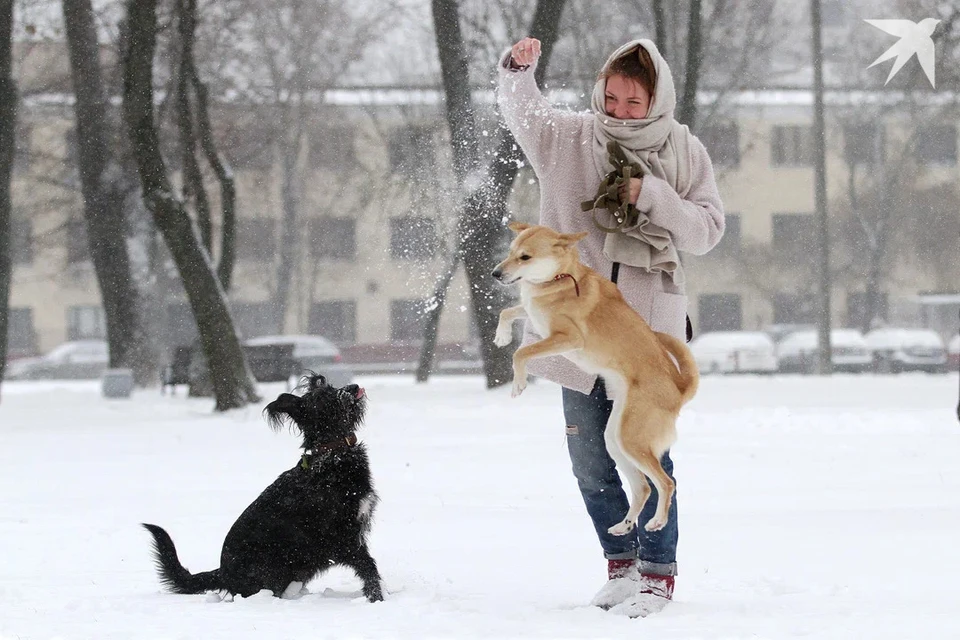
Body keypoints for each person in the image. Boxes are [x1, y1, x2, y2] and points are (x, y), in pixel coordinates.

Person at [497, 37, 725, 616]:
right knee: (590, 460)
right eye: (612, 95)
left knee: (643, 452)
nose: (619, 109)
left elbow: (705, 230)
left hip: (644, 331)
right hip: (575, 330)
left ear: (657, 99)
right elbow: (525, 115)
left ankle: (656, 573)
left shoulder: (683, 151)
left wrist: (653, 196)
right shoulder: (569, 138)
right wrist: (518, 73)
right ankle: (620, 566)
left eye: (634, 100)